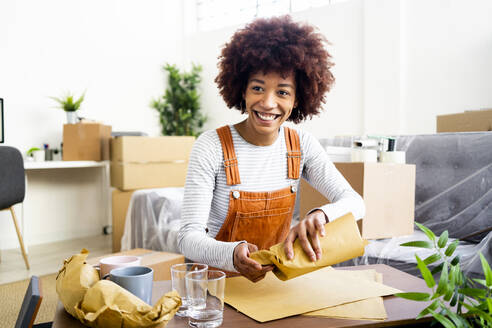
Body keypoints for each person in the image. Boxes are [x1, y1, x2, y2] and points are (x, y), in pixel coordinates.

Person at [178, 15, 365, 282]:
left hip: (276, 284)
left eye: (283, 92)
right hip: (218, 284)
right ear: (242, 90)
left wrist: (322, 214)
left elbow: (356, 203)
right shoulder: (211, 146)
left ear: (298, 98)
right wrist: (232, 254)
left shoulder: (301, 144)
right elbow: (188, 238)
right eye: (257, 88)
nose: (268, 103)